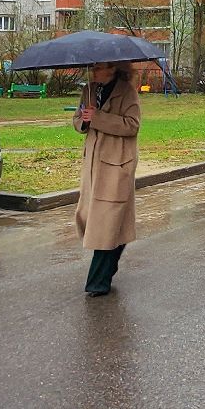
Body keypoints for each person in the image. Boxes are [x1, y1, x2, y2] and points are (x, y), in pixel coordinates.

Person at [75, 60, 142, 296]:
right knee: (97, 219)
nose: (93, 71)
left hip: (117, 164)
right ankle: (107, 269)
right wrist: (84, 119)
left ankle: (97, 282)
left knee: (108, 221)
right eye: (92, 67)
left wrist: (98, 117)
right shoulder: (89, 90)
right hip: (93, 164)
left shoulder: (127, 92)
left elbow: (132, 125)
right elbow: (79, 121)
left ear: (113, 68)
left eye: (98, 67)